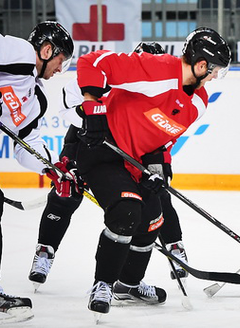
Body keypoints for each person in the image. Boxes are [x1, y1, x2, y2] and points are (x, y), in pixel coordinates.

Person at [73, 27, 231, 316]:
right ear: (200, 64)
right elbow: (93, 63)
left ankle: (128, 284)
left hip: (135, 163)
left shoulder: (198, 102)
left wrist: (159, 168)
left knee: (154, 220)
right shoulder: (158, 69)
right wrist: (93, 110)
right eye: (215, 70)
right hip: (104, 151)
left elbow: (164, 138)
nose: (215, 77)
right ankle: (103, 284)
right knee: (126, 212)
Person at [28, 43, 189, 294]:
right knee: (66, 191)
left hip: (123, 151)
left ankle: (174, 246)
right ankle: (45, 251)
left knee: (156, 194)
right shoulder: (119, 74)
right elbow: (68, 106)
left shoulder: (158, 92)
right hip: (86, 141)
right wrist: (93, 117)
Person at [0, 21, 73, 325]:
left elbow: (26, 143)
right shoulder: (19, 53)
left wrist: (52, 168)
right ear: (47, 50)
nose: (60, 69)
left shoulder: (36, 99)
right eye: (61, 60)